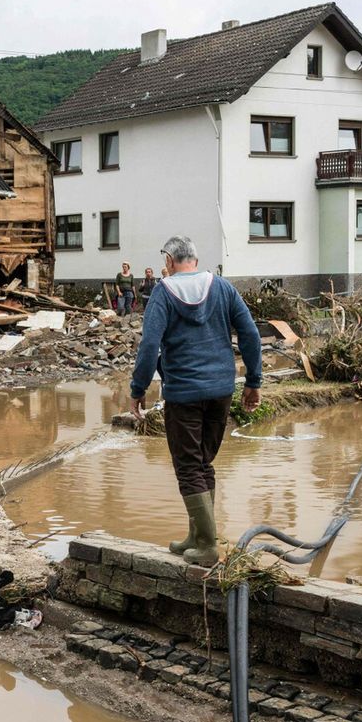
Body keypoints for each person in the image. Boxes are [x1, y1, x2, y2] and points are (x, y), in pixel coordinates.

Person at [129, 236, 263, 566]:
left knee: (189, 467)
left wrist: (137, 389)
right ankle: (198, 536)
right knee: (203, 463)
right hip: (220, 389)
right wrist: (254, 382)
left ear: (170, 261)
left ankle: (207, 546)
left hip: (184, 393)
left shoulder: (163, 291)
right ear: (196, 259)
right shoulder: (222, 287)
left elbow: (149, 346)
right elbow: (250, 334)